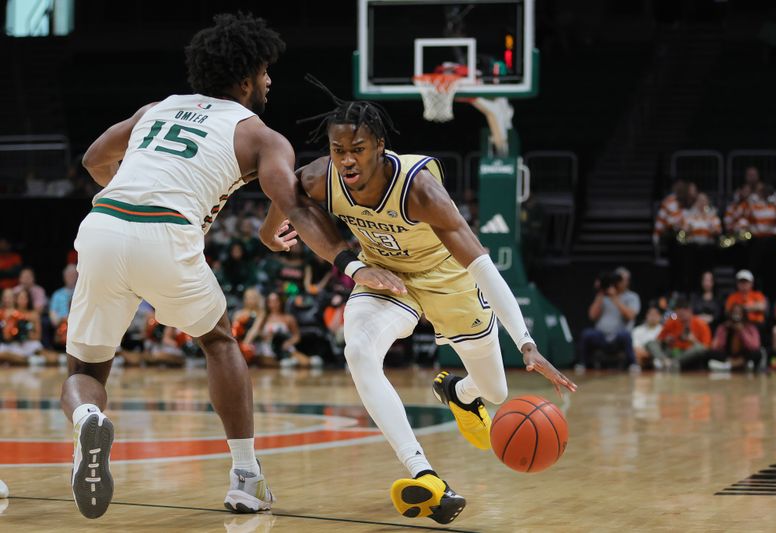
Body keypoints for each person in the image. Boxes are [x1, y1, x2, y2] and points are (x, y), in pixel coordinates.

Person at [62, 14, 402, 519]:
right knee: (218, 341)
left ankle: (88, 416)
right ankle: (246, 477)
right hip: (168, 235)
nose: (269, 81)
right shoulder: (262, 137)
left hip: (104, 224)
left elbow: (93, 160)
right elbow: (298, 206)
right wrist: (350, 265)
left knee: (87, 368)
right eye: (265, 72)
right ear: (246, 79)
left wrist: (135, 190)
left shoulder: (157, 108)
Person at [261, 78, 576, 524]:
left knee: (496, 392)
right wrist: (271, 233)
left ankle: (460, 393)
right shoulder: (322, 176)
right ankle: (424, 474)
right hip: (384, 278)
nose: (347, 159)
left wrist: (524, 341)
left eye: (359, 148)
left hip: (447, 280)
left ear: (379, 146)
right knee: (359, 352)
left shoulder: (420, 189)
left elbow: (483, 267)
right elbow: (287, 193)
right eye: (338, 150)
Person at [576, 268, 641, 372]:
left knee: (626, 335)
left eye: (623, 280)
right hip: (601, 335)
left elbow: (630, 316)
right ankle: (582, 363)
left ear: (628, 282)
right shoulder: (603, 296)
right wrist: (601, 293)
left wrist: (615, 297)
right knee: (586, 334)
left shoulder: (632, 297)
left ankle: (633, 364)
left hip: (618, 337)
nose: (619, 282)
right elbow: (592, 316)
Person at [645, 297, 712, 371]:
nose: (682, 319)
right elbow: (658, 339)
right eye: (679, 316)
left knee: (700, 348)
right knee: (650, 343)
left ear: (689, 311)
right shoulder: (673, 321)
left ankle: (672, 363)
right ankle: (664, 361)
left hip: (688, 354)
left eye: (683, 316)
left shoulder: (701, 324)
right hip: (672, 352)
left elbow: (706, 347)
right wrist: (666, 340)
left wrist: (694, 340)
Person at [708, 304, 761, 371]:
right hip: (728, 356)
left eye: (739, 313)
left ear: (743, 314)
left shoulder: (750, 327)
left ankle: (730, 365)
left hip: (743, 355)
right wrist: (725, 331)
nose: (736, 316)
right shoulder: (723, 327)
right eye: (734, 313)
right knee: (710, 353)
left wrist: (742, 331)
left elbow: (755, 346)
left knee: (757, 353)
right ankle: (736, 365)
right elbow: (715, 347)